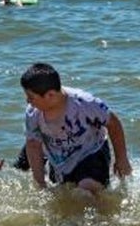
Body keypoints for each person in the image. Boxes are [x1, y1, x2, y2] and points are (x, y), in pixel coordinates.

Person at [20, 62, 131, 194]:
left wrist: (121, 159)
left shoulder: (85, 103)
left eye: (31, 97)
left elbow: (113, 123)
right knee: (64, 197)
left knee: (85, 191)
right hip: (59, 161)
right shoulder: (33, 112)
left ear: (50, 95)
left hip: (92, 152)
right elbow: (33, 145)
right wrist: (40, 184)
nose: (27, 101)